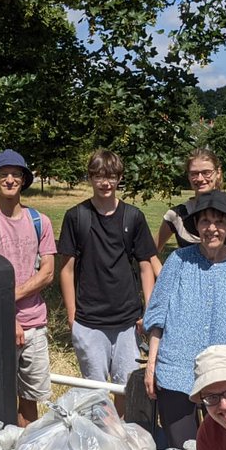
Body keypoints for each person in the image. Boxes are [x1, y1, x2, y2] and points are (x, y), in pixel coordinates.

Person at [142, 190, 226, 448]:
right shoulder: (178, 261)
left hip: (224, 381)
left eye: (219, 221)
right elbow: (157, 315)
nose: (212, 228)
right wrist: (152, 365)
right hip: (176, 372)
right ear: (197, 226)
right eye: (205, 221)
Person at [57, 149, 158, 412]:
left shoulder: (133, 217)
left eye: (111, 177)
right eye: (99, 176)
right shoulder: (76, 217)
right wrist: (72, 315)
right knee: (94, 393)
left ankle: (121, 438)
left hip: (127, 321)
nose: (105, 183)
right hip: (89, 321)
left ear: (120, 178)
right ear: (90, 178)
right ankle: (100, 441)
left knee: (126, 387)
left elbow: (146, 265)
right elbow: (66, 269)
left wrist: (148, 311)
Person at [0, 149, 57, 427]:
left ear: (24, 180)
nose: (10, 180)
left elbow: (48, 273)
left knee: (30, 398)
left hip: (35, 325)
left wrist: (10, 297)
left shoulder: (41, 222)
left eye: (16, 174)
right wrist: (7, 315)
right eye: (3, 174)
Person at [154, 148, 226, 264]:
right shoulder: (176, 215)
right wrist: (163, 276)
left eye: (206, 172)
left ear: (218, 173)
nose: (200, 178)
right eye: (194, 173)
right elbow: (151, 252)